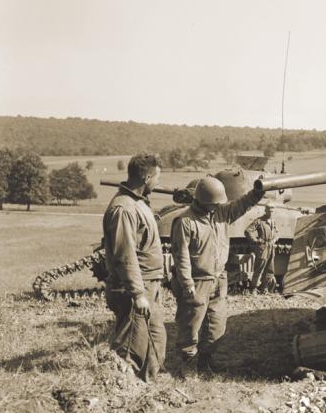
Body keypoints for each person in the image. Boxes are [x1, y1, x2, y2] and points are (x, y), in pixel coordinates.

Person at [170, 176, 264, 375]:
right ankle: (187, 367)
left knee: (216, 326)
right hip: (196, 281)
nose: (217, 207)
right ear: (203, 202)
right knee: (190, 326)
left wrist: (256, 193)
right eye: (213, 204)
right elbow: (181, 255)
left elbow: (242, 204)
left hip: (218, 279)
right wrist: (187, 283)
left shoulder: (222, 213)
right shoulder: (185, 221)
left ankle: (205, 363)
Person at [103, 152, 166, 381]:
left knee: (154, 339)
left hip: (149, 284)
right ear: (147, 178)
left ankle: (149, 384)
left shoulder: (138, 204)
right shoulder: (124, 209)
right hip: (133, 290)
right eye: (157, 177)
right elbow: (125, 255)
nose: (159, 183)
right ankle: (124, 394)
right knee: (131, 348)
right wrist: (138, 294)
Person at [245, 207, 277, 293]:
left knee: (270, 269)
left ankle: (264, 287)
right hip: (263, 247)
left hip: (271, 246)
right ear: (265, 211)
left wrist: (275, 238)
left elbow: (276, 232)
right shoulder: (259, 221)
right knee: (259, 269)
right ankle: (253, 288)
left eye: (272, 211)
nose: (270, 213)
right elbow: (248, 231)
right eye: (269, 211)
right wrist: (256, 240)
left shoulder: (273, 221)